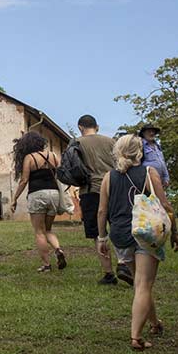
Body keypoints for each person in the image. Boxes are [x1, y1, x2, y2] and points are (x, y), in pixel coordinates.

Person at [97, 134, 178, 351]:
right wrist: (175, 233)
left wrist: (101, 237)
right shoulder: (148, 172)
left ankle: (155, 323)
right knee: (143, 284)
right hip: (145, 233)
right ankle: (136, 337)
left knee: (140, 283)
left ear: (118, 152)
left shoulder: (108, 177)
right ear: (140, 152)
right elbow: (165, 204)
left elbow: (102, 210)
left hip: (120, 235)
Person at [11, 131, 66, 272]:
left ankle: (47, 265)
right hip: (54, 194)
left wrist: (15, 198)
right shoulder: (53, 155)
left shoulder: (29, 158)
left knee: (39, 232)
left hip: (37, 194)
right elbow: (61, 174)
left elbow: (24, 180)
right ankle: (58, 250)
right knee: (48, 229)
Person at [75, 115, 121, 285]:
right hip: (114, 187)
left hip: (90, 190)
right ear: (98, 126)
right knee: (118, 226)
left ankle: (109, 273)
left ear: (80, 127)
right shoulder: (111, 142)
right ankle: (124, 263)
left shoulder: (77, 143)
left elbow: (71, 168)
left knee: (98, 233)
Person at [139, 125, 170, 189]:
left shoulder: (158, 146)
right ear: (143, 133)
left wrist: (166, 178)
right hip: (147, 181)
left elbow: (162, 162)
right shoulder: (140, 145)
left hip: (159, 181)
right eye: (149, 131)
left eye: (153, 131)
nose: (151, 133)